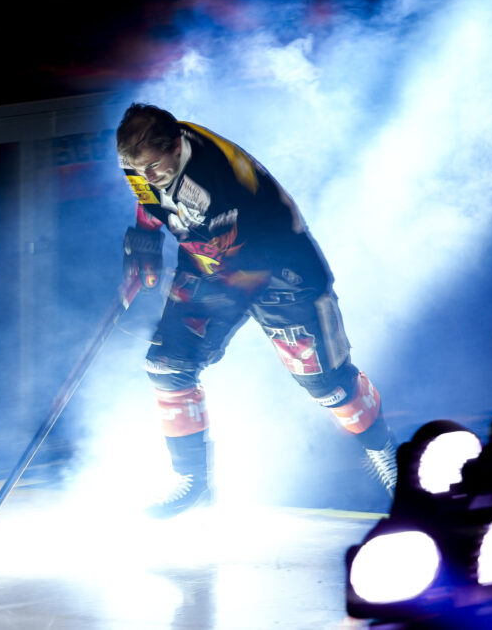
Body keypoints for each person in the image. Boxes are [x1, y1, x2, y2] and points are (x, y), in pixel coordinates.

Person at [116, 103, 396, 518]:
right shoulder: (141, 164)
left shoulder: (218, 178)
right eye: (135, 169)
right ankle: (193, 481)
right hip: (211, 266)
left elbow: (240, 257)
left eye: (153, 167)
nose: (145, 176)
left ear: (176, 146)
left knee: (328, 385)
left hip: (281, 272)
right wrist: (144, 238)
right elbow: (149, 197)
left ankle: (387, 455)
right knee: (166, 366)